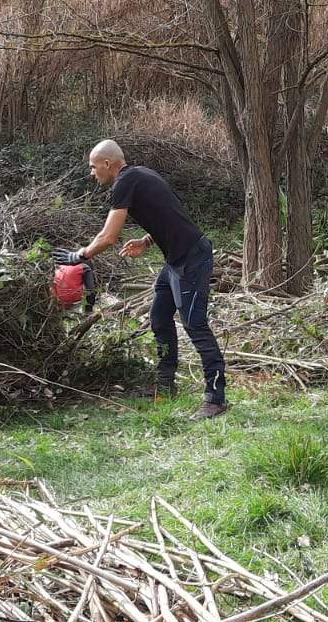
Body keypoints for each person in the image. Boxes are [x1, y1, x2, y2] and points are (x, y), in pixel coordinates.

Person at [64, 139, 228, 419]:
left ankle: (216, 398)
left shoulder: (125, 182)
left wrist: (81, 254)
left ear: (107, 164)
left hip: (191, 259)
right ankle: (164, 387)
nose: (92, 173)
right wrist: (148, 240)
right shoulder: (142, 174)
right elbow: (170, 214)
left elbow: (109, 236)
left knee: (195, 325)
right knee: (159, 318)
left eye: (93, 167)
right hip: (176, 260)